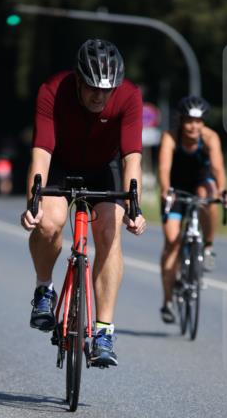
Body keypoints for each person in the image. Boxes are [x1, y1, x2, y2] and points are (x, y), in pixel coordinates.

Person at [20, 39, 146, 368]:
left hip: (107, 168)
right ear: (78, 79)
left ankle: (104, 331)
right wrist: (33, 202)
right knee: (49, 223)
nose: (99, 97)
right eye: (92, 88)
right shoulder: (52, 90)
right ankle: (44, 290)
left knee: (109, 232)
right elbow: (42, 151)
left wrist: (135, 207)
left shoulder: (129, 95)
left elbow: (132, 157)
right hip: (62, 164)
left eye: (107, 90)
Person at [157, 96, 227, 323]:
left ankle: (207, 247)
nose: (194, 126)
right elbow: (164, 167)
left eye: (198, 122)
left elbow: (218, 168)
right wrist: (165, 189)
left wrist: (223, 191)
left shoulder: (210, 138)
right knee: (171, 241)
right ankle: (168, 301)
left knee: (208, 198)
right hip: (176, 188)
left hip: (200, 183)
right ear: (181, 121)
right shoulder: (171, 137)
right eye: (189, 121)